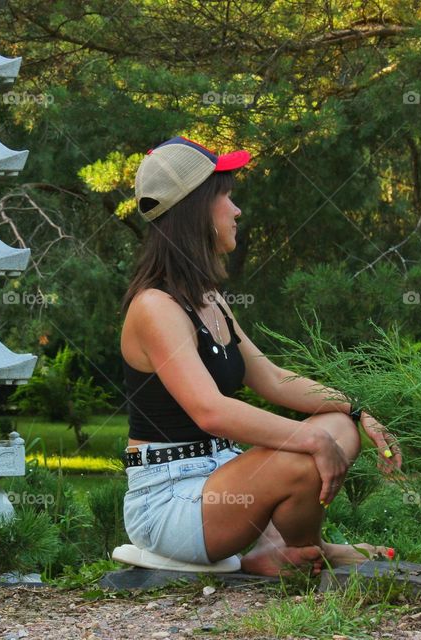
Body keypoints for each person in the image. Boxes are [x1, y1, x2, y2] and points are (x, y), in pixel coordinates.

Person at [119, 135, 403, 576]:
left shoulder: (209, 298)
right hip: (170, 501)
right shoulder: (155, 307)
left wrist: (357, 408)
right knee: (308, 449)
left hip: (223, 475)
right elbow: (210, 411)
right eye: (226, 197)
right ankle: (303, 551)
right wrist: (308, 439)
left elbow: (269, 378)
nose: (236, 211)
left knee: (337, 426)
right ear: (195, 208)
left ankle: (285, 549)